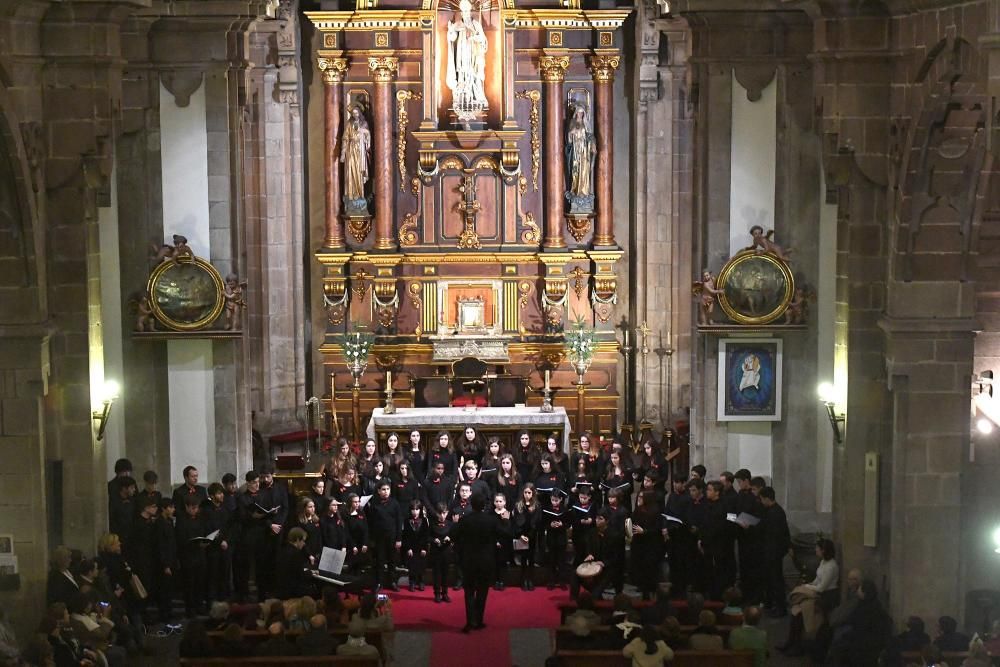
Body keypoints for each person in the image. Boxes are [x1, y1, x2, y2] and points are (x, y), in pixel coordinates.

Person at [451, 492, 510, 632]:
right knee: (482, 592)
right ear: (484, 505)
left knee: (469, 592)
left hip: (469, 561)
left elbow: (453, 535)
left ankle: (470, 621)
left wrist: (455, 524)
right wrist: (506, 521)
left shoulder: (465, 520)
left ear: (472, 504)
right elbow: (506, 534)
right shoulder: (491, 520)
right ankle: (479, 620)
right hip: (486, 561)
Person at [782, 537, 840, 655]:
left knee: (800, 612)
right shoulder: (823, 562)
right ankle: (791, 642)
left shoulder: (831, 566)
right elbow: (816, 581)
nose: (815, 550)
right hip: (818, 592)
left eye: (817, 548)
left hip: (826, 597)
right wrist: (808, 585)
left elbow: (822, 587)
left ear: (823, 550)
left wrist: (807, 587)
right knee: (795, 611)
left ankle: (797, 647)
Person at [825, 580, 890, 666]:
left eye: (860, 588)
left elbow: (857, 626)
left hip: (863, 647)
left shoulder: (864, 608)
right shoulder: (875, 605)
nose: (858, 590)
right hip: (871, 645)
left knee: (838, 646)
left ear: (864, 592)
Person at [758, 486, 791, 616]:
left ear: (766, 499)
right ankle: (772, 604)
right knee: (772, 579)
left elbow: (775, 536)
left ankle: (780, 608)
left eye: (761, 499)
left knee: (776, 580)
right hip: (772, 551)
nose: (760, 502)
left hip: (773, 552)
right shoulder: (773, 511)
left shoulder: (775, 513)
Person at [175, 496, 210, 617]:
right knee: (189, 584)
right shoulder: (181, 520)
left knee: (200, 583)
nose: (195, 510)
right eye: (193, 508)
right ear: (186, 507)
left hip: (200, 556)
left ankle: (199, 606)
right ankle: (190, 609)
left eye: (197, 508)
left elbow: (204, 532)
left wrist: (205, 541)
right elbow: (180, 538)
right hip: (188, 557)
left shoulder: (201, 518)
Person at [367, 480, 403, 591]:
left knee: (392, 561)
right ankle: (379, 583)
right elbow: (371, 523)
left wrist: (398, 539)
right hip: (379, 538)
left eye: (388, 489)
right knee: (380, 561)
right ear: (378, 491)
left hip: (392, 537)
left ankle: (392, 582)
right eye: (383, 489)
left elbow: (398, 522)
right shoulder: (374, 504)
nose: (386, 492)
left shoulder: (395, 503)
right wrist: (372, 539)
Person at [540, 487, 570, 590]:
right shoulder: (547, 509)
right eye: (552, 500)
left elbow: (568, 523)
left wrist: (562, 524)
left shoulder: (565, 510)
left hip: (561, 537)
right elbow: (543, 523)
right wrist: (550, 524)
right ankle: (551, 581)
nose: (554, 502)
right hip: (551, 537)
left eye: (556, 500)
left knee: (561, 560)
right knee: (551, 560)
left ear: (561, 499)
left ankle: (562, 581)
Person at [513, 483, 540, 590]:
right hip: (522, 535)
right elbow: (516, 521)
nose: (527, 495)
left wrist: (529, 535)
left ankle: (531, 580)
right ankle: (524, 580)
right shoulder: (518, 505)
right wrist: (521, 535)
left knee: (531, 559)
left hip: (532, 535)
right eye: (525, 492)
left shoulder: (537, 505)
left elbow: (537, 522)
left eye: (529, 493)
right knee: (523, 559)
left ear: (533, 493)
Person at [276, 527, 313, 599]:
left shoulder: (283, 550)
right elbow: (300, 575)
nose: (304, 543)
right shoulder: (296, 553)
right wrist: (310, 573)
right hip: (291, 591)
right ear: (298, 540)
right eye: (303, 541)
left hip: (281, 588)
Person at [428, 502, 454, 603]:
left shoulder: (450, 524)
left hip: (446, 552)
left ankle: (445, 593)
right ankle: (437, 594)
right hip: (436, 552)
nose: (442, 515)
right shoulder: (432, 523)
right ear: (437, 513)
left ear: (447, 513)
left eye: (444, 513)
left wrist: (450, 538)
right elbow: (427, 537)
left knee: (445, 574)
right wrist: (434, 540)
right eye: (440, 513)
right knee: (437, 574)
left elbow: (454, 536)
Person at [401, 499, 429, 591]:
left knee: (421, 565)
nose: (415, 512)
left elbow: (426, 536)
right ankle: (412, 582)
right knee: (412, 565)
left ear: (420, 510)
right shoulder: (406, 520)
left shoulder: (424, 520)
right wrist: (408, 548)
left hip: (421, 548)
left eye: (417, 509)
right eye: (413, 509)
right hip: (411, 547)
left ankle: (421, 581)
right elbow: (405, 536)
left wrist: (424, 548)